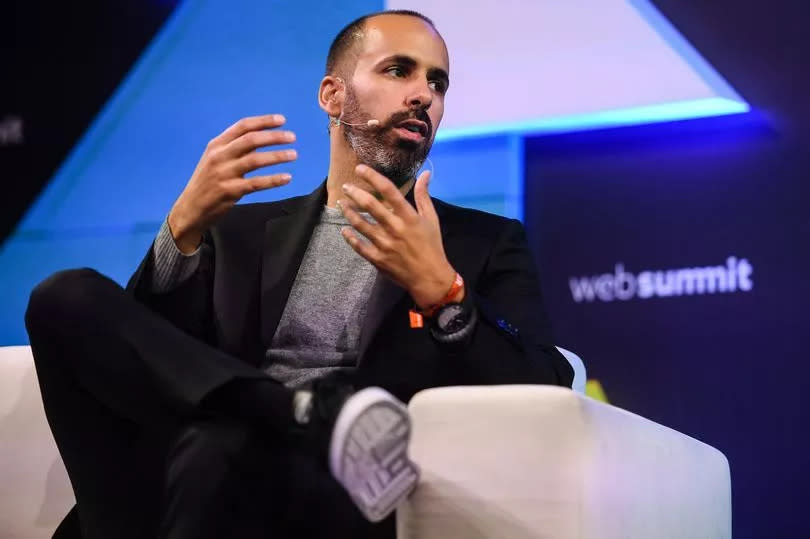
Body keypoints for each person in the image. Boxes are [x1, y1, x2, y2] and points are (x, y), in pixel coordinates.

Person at [24, 9, 573, 539]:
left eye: (439, 82)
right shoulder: (233, 233)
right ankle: (295, 411)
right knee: (62, 296)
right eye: (398, 70)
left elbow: (546, 386)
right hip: (170, 480)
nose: (423, 94)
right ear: (332, 96)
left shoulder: (481, 243)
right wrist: (182, 228)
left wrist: (442, 293)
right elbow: (141, 364)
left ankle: (289, 420)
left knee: (220, 446)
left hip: (328, 497)